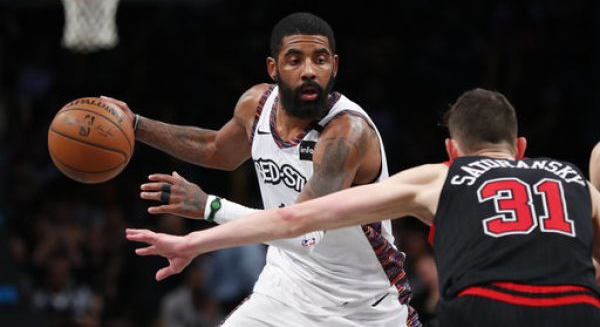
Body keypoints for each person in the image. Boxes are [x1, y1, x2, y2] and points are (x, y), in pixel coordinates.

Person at [127, 89, 600, 326]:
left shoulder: (437, 177)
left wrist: (197, 232)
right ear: (520, 146)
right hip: (578, 309)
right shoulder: (576, 180)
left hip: (483, 310)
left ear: (452, 151)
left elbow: (294, 217)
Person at [108, 12, 419, 326]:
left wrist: (210, 207)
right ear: (274, 68)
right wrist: (135, 125)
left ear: (334, 67)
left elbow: (301, 232)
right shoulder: (256, 105)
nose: (309, 71)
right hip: (286, 286)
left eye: (320, 60)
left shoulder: (346, 135)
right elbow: (217, 150)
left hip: (363, 307)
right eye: (294, 60)